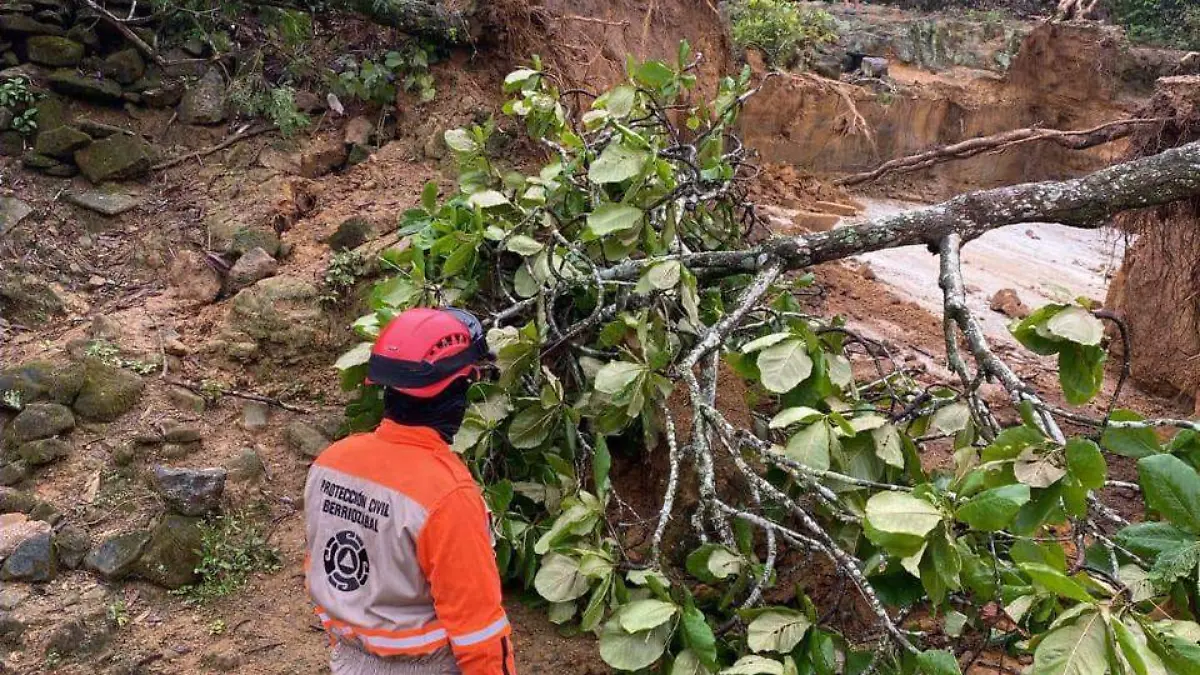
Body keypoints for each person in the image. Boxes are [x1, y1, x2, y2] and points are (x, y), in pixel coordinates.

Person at [304, 307, 516, 675]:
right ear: (457, 389)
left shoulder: (330, 462)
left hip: (349, 661)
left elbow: (322, 568)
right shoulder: (448, 494)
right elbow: (479, 634)